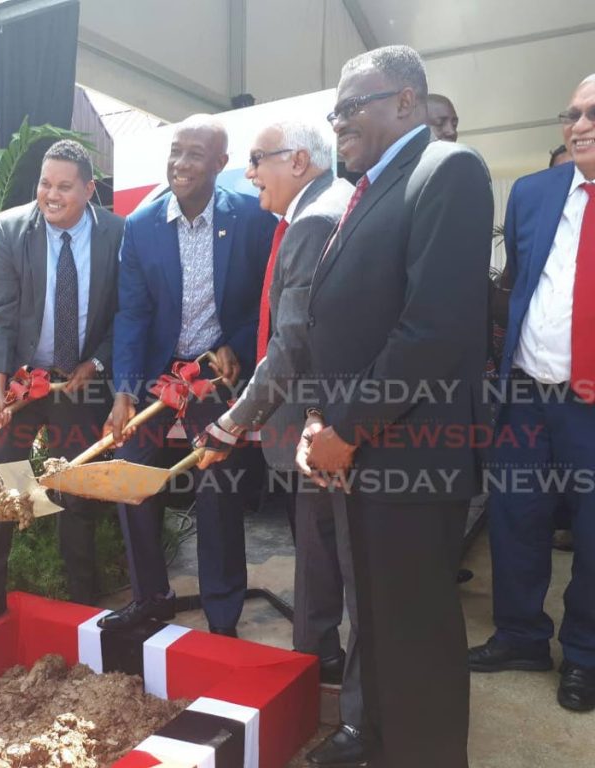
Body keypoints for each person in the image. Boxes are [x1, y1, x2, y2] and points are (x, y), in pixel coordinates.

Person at [299, 46, 493, 767]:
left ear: (407, 101)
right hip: (361, 449)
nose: (339, 122)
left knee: (416, 636)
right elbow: (350, 325)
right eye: (337, 111)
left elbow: (432, 328)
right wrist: (324, 421)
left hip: (409, 452)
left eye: (352, 106)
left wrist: (346, 429)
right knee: (374, 622)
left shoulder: (448, 171)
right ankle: (378, 741)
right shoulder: (371, 185)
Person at [195, 120, 366, 765]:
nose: (249, 175)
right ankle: (316, 658)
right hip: (311, 422)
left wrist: (234, 420)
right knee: (318, 549)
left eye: (257, 161)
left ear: (298, 159)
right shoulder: (311, 211)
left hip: (322, 423)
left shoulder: (316, 219)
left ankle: (350, 710)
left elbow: (292, 346)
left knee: (340, 561)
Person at [98, 115, 275, 636]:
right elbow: (131, 313)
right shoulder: (142, 225)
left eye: (195, 154)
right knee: (132, 474)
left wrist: (236, 348)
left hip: (215, 376)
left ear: (221, 164)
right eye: (176, 152)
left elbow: (265, 302)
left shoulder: (252, 219)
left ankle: (223, 613)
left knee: (218, 484)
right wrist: (125, 391)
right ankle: (150, 597)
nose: (181, 164)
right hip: (158, 371)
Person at [0, 140, 125, 637]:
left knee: (76, 490)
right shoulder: (10, 230)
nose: (51, 196)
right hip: (19, 381)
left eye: (64, 187)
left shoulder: (117, 234)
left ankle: (82, 603)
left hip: (80, 381)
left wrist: (96, 363)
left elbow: (128, 313)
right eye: (44, 184)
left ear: (90, 189)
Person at [468, 74, 595, 713]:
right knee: (516, 517)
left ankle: (585, 654)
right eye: (570, 114)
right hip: (524, 391)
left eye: (593, 114)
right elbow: (517, 284)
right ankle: (520, 635)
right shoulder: (533, 192)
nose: (578, 126)